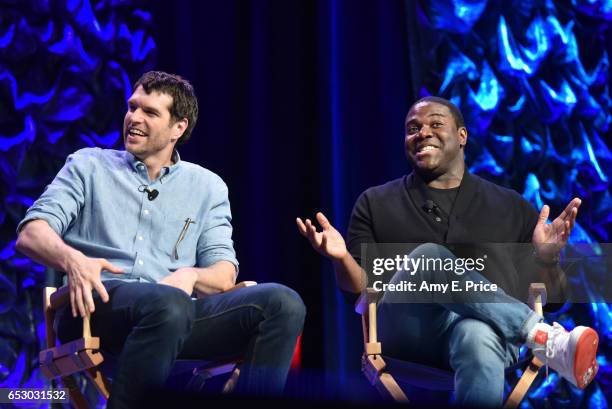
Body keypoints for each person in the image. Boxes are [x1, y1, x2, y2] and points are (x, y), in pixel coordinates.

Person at [16, 71, 305, 408]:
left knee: (282, 304)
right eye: (132, 107)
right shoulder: (88, 165)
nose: (133, 118)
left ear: (178, 128)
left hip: (175, 316)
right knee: (168, 304)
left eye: (150, 113)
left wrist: (192, 275)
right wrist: (74, 261)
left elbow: (224, 274)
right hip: (97, 308)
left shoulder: (207, 187)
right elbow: (30, 233)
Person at [297, 96, 599, 407]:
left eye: (435, 124)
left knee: (477, 334)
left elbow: (554, 299)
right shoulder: (374, 202)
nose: (422, 132)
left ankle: (538, 337)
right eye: (413, 128)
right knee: (430, 257)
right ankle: (542, 338)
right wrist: (341, 258)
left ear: (462, 136)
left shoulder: (511, 206)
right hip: (408, 334)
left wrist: (547, 258)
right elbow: (359, 294)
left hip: (492, 337)